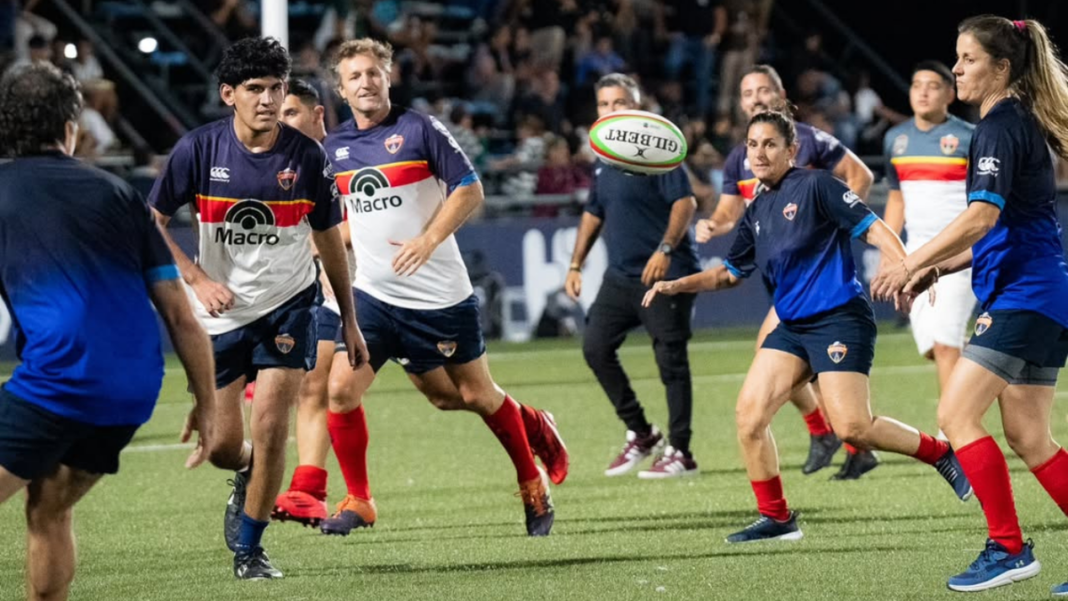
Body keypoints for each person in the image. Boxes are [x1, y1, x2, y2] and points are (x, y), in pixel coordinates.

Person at [644, 110, 973, 543]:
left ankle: (940, 452)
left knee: (853, 428)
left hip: (839, 317)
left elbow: (874, 231)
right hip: (793, 327)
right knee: (749, 416)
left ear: (790, 150)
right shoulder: (757, 208)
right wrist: (677, 285)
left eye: (770, 144)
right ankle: (778, 518)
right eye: (752, 145)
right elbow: (728, 273)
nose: (759, 153)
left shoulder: (818, 186)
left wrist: (909, 268)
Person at [318, 38, 568, 538]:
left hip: (438, 298)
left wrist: (430, 239)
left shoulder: (419, 129)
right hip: (375, 298)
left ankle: (530, 476)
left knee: (473, 395)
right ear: (342, 90)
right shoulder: (336, 149)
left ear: (388, 77)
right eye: (354, 77)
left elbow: (470, 187)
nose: (365, 82)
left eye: (373, 73)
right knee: (341, 392)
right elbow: (360, 216)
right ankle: (360, 500)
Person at [148, 37, 366, 580]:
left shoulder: (307, 157)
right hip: (220, 317)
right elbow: (147, 223)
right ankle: (245, 471)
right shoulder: (197, 151)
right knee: (224, 445)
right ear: (229, 94)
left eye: (276, 88)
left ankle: (251, 550)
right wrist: (195, 278)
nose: (268, 100)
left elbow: (329, 241)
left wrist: (350, 319)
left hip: (289, 307)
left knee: (271, 428)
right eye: (255, 90)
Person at [0, 63, 215, 601]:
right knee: (49, 507)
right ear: (72, 126)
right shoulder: (118, 194)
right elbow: (180, 314)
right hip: (133, 389)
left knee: (47, 506)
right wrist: (207, 403)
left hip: (58, 380)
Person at [872, 16, 1068, 593]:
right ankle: (1009, 548)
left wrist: (910, 259)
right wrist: (937, 264)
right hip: (1040, 294)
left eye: (968, 59)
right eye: (955, 58)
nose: (956, 69)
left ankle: (1009, 549)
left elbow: (981, 218)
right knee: (1030, 436)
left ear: (1002, 67)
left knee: (955, 416)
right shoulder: (1012, 122)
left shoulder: (1001, 125)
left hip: (1025, 296)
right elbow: (999, 228)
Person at [697, 64, 877, 478]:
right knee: (797, 368)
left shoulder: (807, 141)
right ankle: (848, 441)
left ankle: (826, 433)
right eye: (747, 93)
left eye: (763, 90)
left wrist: (839, 224)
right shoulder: (741, 157)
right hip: (782, 275)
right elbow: (730, 210)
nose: (755, 98)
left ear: (780, 93)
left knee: (772, 353)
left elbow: (859, 175)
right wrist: (716, 224)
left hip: (814, 278)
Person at [565, 72, 701, 479]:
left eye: (620, 103)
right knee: (595, 347)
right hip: (622, 275)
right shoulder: (606, 157)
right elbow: (594, 211)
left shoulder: (656, 152)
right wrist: (575, 264)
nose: (612, 111)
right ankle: (642, 432)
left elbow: (686, 202)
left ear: (637, 108)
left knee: (670, 361)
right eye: (605, 104)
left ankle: (681, 451)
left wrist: (665, 249)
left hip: (666, 273)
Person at [268, 78, 345, 526]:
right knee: (319, 387)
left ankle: (526, 424)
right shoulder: (277, 166)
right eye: (279, 116)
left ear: (318, 116)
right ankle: (308, 490)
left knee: (456, 393)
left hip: (366, 286)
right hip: (308, 288)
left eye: (292, 113)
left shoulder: (346, 158)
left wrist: (322, 249)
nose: (283, 123)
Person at [882, 61, 976, 424]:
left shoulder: (970, 137)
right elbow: (896, 198)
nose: (922, 91)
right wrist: (890, 253)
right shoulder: (896, 139)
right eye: (916, 84)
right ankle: (988, 367)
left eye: (933, 85)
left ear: (950, 94)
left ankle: (956, 431)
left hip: (958, 255)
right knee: (933, 348)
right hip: (915, 252)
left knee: (944, 342)